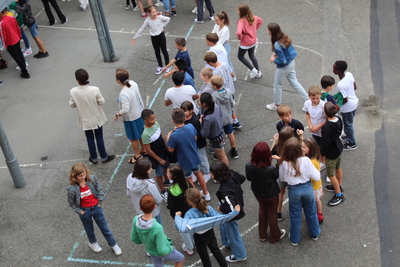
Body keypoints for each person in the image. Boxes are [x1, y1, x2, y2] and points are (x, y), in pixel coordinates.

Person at [67, 163, 122, 255]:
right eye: (80, 176)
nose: (83, 177)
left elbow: (100, 190)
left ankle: (113, 244)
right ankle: (93, 243)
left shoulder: (92, 179)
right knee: (89, 229)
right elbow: (72, 203)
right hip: (85, 211)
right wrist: (80, 212)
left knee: (104, 228)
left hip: (96, 208)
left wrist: (99, 202)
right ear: (74, 176)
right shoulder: (72, 189)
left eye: (84, 174)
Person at [278, 137, 321, 246]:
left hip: (294, 190)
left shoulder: (284, 163)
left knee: (295, 214)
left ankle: (295, 239)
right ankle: (314, 233)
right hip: (307, 188)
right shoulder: (306, 160)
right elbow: (317, 176)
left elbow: (282, 178)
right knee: (311, 211)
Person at [178, 188, 234, 266]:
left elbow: (184, 227)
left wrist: (178, 217)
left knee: (204, 256)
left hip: (199, 237)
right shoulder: (208, 208)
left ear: (190, 202)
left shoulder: (189, 214)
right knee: (216, 250)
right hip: (210, 233)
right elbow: (218, 217)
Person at [69, 69, 115, 164]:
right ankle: (103, 156)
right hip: (96, 117)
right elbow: (101, 101)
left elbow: (72, 105)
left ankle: (93, 157)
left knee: (89, 138)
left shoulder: (73, 91)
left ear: (77, 80)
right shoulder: (94, 89)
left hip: (84, 118)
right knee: (99, 137)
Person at [245, 142, 286, 243]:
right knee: (272, 213)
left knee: (262, 210)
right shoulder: (270, 169)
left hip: (258, 192)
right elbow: (276, 175)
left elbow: (249, 178)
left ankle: (262, 235)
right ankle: (275, 236)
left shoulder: (249, 166)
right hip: (271, 193)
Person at [166, 108, 211, 201]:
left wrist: (168, 135)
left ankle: (196, 196)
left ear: (173, 121)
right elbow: (195, 137)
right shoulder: (190, 126)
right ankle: (206, 193)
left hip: (184, 161)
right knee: (199, 174)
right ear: (184, 118)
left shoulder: (174, 135)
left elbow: (170, 149)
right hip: (194, 156)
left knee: (189, 179)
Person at [131, 195, 185, 267]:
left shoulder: (135, 220)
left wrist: (145, 241)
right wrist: (170, 249)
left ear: (140, 208)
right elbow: (162, 250)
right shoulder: (157, 227)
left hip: (151, 250)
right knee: (180, 258)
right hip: (161, 251)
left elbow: (134, 238)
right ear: (154, 207)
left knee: (158, 265)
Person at [266, 23, 308, 111]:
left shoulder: (277, 44)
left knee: (277, 85)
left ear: (272, 32)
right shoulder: (283, 37)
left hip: (284, 67)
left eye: (268, 30)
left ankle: (277, 104)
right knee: (295, 83)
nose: (267, 31)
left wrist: (274, 60)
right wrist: (276, 54)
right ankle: (308, 101)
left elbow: (282, 60)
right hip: (291, 62)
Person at [210, 161, 247, 263]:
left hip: (232, 213)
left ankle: (240, 255)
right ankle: (227, 242)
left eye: (212, 174)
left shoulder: (224, 190)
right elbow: (242, 178)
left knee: (233, 233)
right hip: (235, 202)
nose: (210, 175)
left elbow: (231, 209)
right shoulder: (233, 173)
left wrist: (222, 208)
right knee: (225, 226)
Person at [114, 68, 146, 164]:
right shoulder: (133, 83)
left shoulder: (123, 93)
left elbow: (125, 109)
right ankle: (144, 149)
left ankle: (137, 155)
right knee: (141, 133)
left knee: (133, 138)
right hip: (140, 113)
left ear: (118, 80)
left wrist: (117, 114)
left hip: (131, 118)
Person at [204, 51, 241, 129]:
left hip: (222, 92)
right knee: (231, 106)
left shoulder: (215, 72)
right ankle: (236, 121)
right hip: (230, 90)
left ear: (210, 63)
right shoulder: (225, 64)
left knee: (224, 109)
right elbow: (231, 73)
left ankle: (228, 124)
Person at [131, 5, 170, 75]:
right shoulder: (148, 20)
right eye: (152, 12)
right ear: (149, 13)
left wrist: (163, 26)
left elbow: (168, 19)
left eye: (155, 11)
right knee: (157, 52)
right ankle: (160, 66)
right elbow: (142, 29)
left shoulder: (160, 17)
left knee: (164, 51)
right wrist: (135, 37)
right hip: (154, 38)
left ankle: (167, 66)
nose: (155, 13)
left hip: (161, 36)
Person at [165, 164, 195, 255]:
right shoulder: (187, 183)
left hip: (179, 214)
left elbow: (170, 206)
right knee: (192, 228)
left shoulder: (171, 189)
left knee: (184, 232)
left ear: (173, 176)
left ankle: (189, 248)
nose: (166, 173)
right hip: (190, 211)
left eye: (168, 173)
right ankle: (195, 243)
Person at [141, 109, 169, 197]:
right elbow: (149, 150)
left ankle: (167, 181)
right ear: (145, 121)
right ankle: (163, 191)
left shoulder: (156, 124)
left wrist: (166, 144)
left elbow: (161, 134)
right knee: (159, 173)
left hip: (163, 151)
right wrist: (159, 160)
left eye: (154, 118)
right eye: (152, 119)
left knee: (166, 167)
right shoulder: (145, 134)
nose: (155, 120)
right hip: (156, 157)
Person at [321, 102, 345, 206]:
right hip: (338, 148)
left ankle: (339, 195)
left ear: (325, 113)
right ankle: (338, 185)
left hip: (331, 152)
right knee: (338, 167)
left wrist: (322, 153)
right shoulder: (338, 120)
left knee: (330, 174)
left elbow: (326, 142)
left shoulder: (326, 127)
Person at [181, 101, 211, 183]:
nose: (183, 113)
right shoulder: (185, 119)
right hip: (192, 144)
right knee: (195, 157)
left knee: (202, 158)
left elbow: (198, 134)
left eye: (185, 111)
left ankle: (207, 173)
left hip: (198, 144)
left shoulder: (194, 121)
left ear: (191, 111)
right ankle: (195, 172)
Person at [126, 158, 164, 224]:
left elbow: (128, 194)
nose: (151, 169)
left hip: (140, 210)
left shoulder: (130, 177)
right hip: (153, 212)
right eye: (149, 169)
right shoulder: (149, 185)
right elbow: (158, 199)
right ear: (144, 171)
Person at [210, 75, 239, 159]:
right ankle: (234, 151)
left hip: (219, 119)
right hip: (228, 117)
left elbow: (214, 109)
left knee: (220, 135)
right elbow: (232, 104)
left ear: (214, 86)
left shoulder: (214, 96)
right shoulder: (229, 92)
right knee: (230, 133)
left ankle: (219, 153)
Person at [333, 60, 358, 150]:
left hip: (348, 107)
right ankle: (348, 137)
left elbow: (345, 100)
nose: (333, 68)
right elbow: (355, 87)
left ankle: (352, 143)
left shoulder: (340, 85)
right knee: (349, 123)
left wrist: (336, 106)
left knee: (348, 125)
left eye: (334, 67)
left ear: (338, 71)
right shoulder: (349, 74)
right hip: (354, 102)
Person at [270, 126, 294, 222]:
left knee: (281, 192)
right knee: (292, 192)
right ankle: (294, 211)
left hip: (281, 172)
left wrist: (274, 142)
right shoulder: (293, 146)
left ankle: (279, 212)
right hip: (292, 172)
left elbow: (269, 155)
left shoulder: (277, 146)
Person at [199, 92, 229, 166]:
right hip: (220, 131)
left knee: (221, 156)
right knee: (221, 155)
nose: (198, 102)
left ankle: (226, 171)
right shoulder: (215, 106)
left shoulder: (208, 118)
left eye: (200, 101)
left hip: (215, 137)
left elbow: (204, 134)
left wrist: (201, 122)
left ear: (204, 104)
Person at [0, 8, 30, 78]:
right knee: (20, 54)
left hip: (10, 43)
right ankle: (24, 66)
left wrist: (5, 46)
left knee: (17, 58)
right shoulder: (11, 17)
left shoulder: (2, 23)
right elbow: (17, 28)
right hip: (16, 39)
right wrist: (19, 37)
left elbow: (3, 37)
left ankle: (25, 72)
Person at [236, 3, 263, 79]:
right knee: (252, 55)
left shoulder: (241, 21)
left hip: (245, 43)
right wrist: (254, 30)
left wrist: (240, 37)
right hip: (253, 40)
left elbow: (238, 32)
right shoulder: (253, 17)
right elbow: (260, 21)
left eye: (238, 10)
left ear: (241, 12)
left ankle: (253, 70)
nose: (237, 11)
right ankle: (258, 72)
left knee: (240, 56)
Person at [302, 138, 324, 223]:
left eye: (303, 147)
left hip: (313, 186)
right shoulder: (314, 157)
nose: (301, 148)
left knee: (315, 201)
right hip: (317, 185)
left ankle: (317, 215)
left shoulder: (311, 162)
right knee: (318, 200)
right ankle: (320, 214)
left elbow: (311, 176)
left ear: (309, 149)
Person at [212, 11, 235, 76]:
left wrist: (216, 38)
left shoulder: (225, 29)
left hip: (225, 47)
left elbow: (220, 42)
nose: (216, 22)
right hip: (218, 46)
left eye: (217, 20)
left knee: (227, 62)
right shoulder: (216, 26)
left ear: (222, 20)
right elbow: (212, 34)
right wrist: (216, 38)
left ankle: (233, 75)